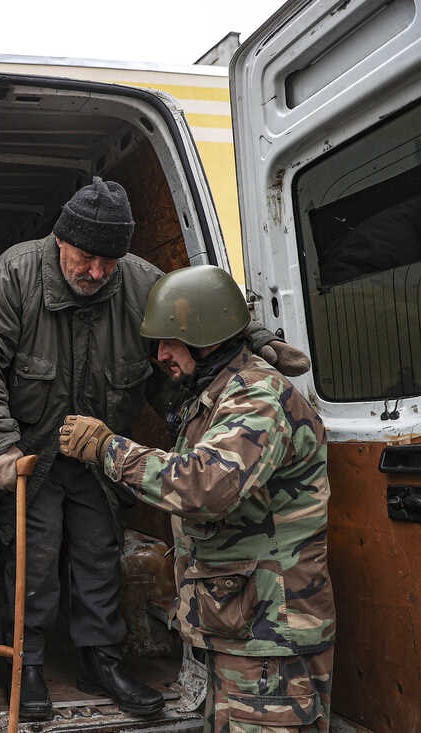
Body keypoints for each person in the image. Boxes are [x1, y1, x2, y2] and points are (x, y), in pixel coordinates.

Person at [0, 178, 308, 720]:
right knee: (31, 556)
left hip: (101, 452)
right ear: (61, 240)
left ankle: (100, 658)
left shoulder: (142, 280)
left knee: (100, 554)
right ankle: (25, 662)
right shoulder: (15, 274)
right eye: (86, 257)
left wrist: (258, 341)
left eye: (109, 260)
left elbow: (204, 312)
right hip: (32, 450)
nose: (97, 272)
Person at [58, 265, 336, 732]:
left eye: (170, 341)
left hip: (271, 640)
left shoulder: (258, 399)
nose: (161, 355)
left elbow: (204, 486)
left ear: (206, 337)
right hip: (240, 629)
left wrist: (109, 449)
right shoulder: (216, 393)